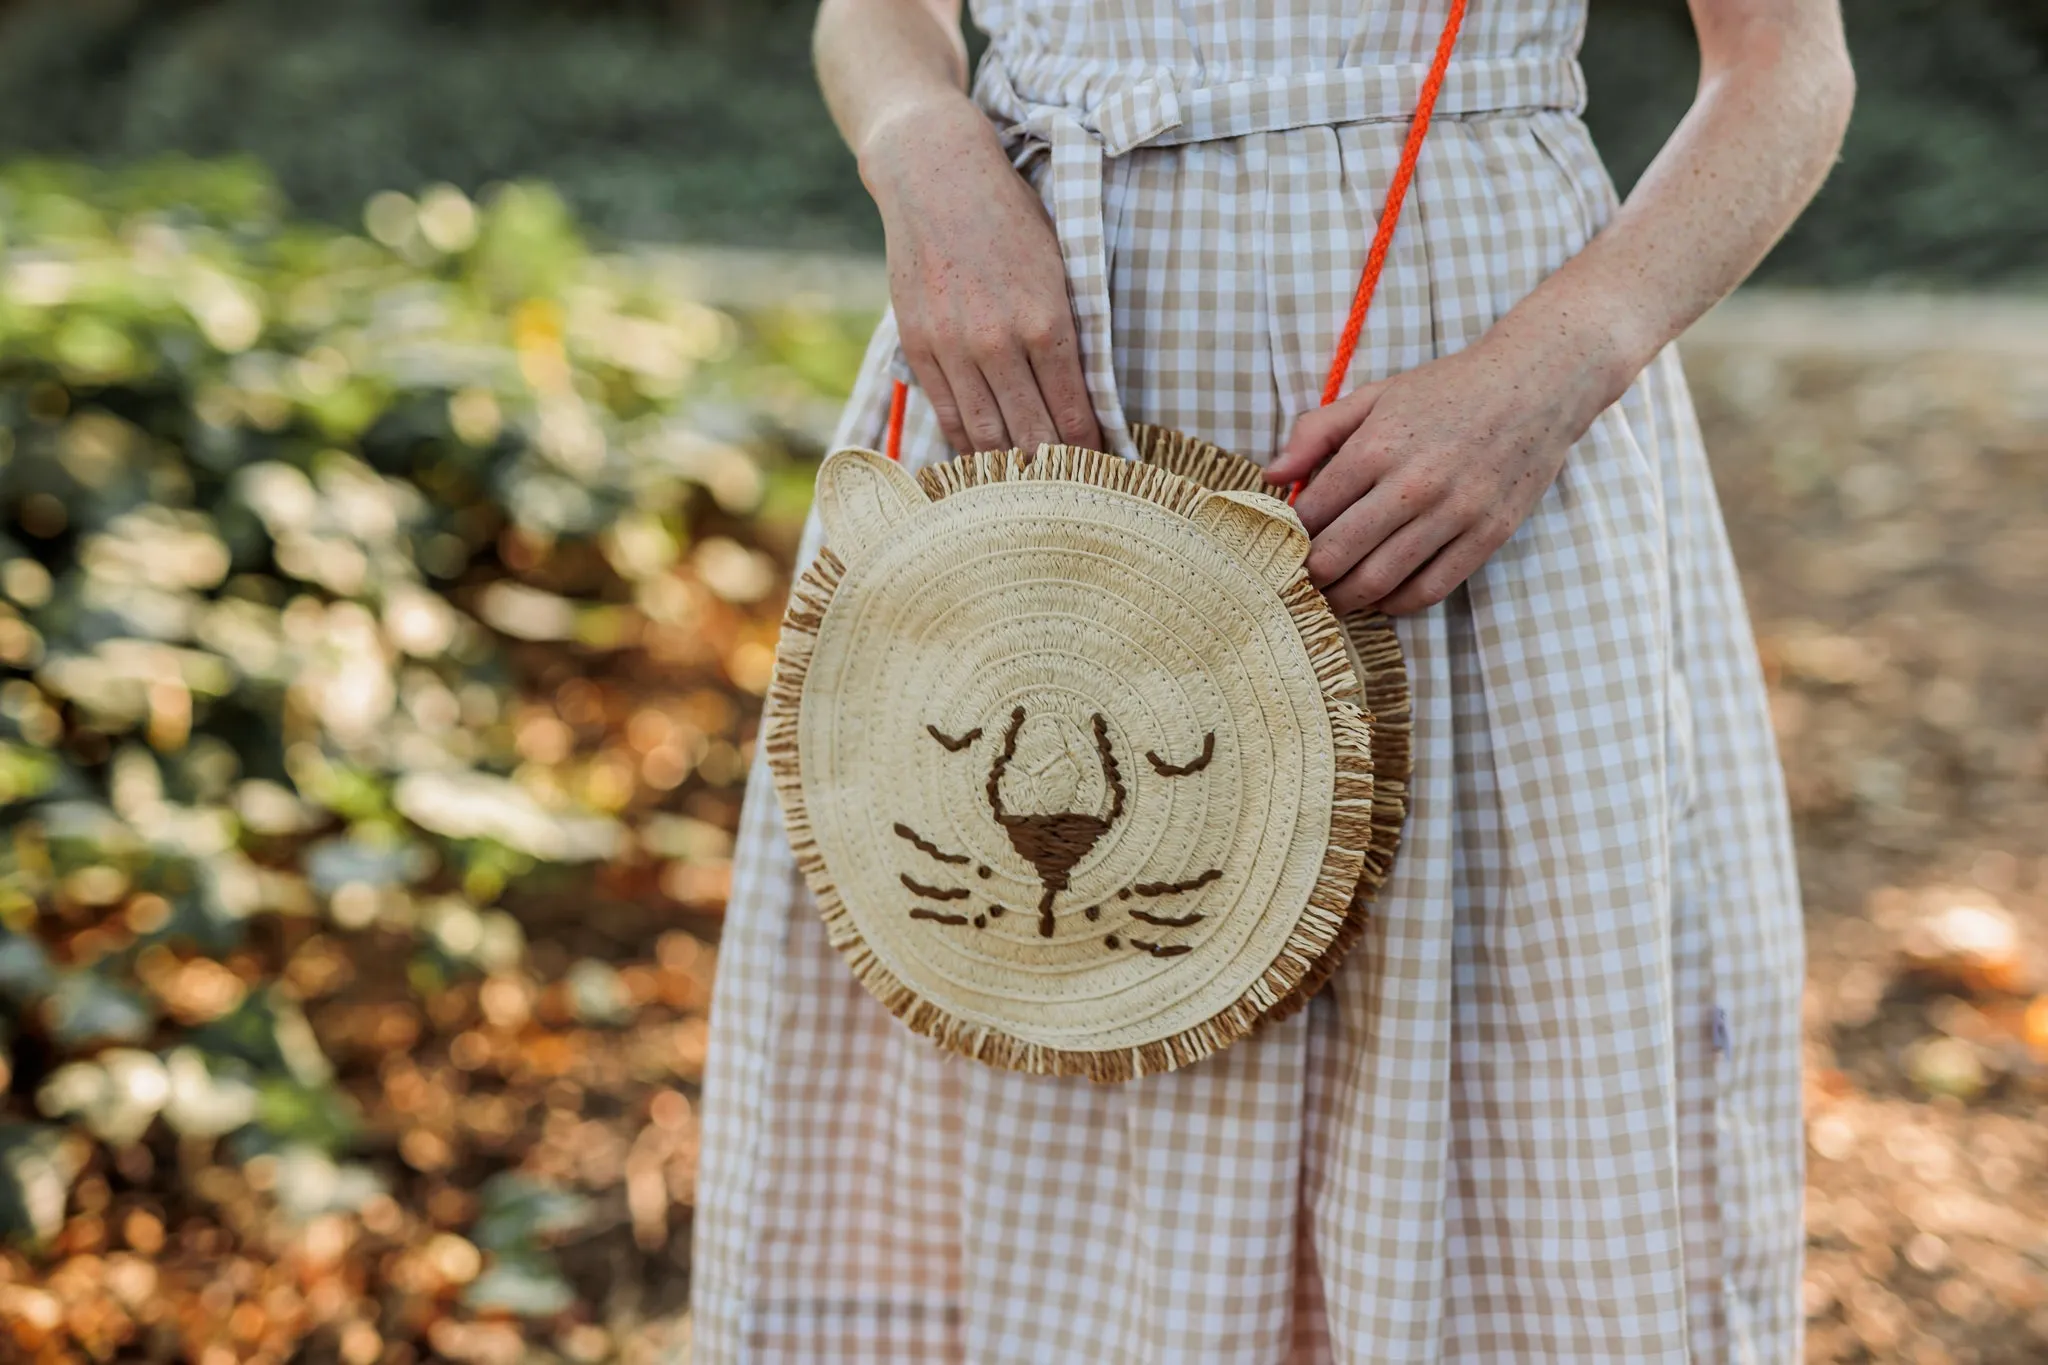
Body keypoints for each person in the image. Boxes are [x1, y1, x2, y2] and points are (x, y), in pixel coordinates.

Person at [692, 0, 1852, 1359]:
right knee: (1017, 973)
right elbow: (875, 21)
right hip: (1029, 375)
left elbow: (1785, 69)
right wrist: (919, 140)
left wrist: (1551, 370)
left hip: (1449, 418)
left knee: (1478, 1042)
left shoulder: (1499, 404)